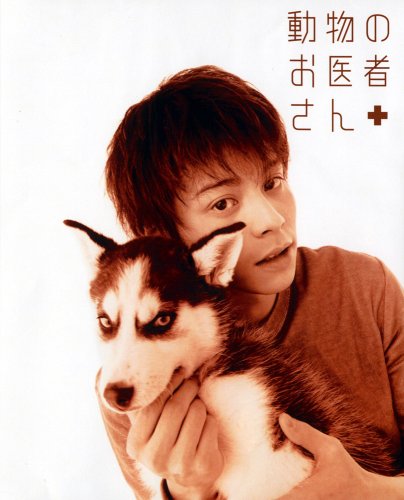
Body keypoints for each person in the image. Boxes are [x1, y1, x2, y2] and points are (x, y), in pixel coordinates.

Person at [99, 65, 404, 499]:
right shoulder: (133, 375)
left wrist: (367, 489)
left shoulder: (362, 286)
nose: (272, 219)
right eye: (223, 203)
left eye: (273, 182)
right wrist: (189, 490)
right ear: (162, 237)